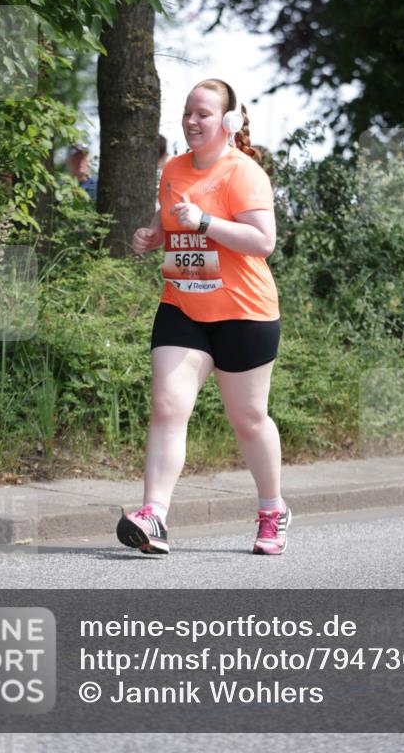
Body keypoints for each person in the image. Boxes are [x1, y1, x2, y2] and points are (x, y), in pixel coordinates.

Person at [116, 78, 290, 556]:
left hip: (244, 312)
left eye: (203, 114)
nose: (192, 121)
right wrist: (153, 232)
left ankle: (272, 510)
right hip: (183, 307)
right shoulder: (173, 167)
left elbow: (263, 241)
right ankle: (154, 516)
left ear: (228, 122)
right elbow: (169, 208)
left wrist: (206, 223)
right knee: (168, 407)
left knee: (249, 419)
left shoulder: (244, 174)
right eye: (188, 112)